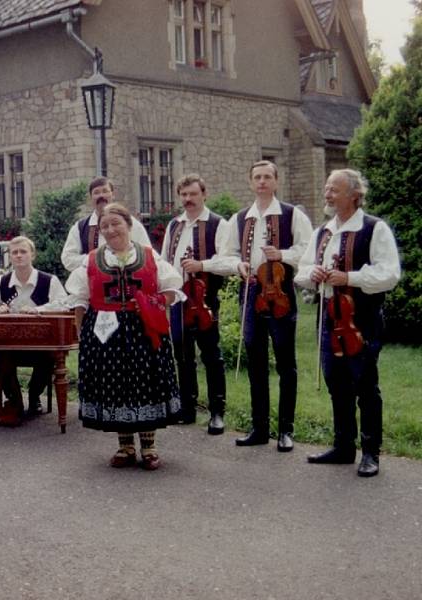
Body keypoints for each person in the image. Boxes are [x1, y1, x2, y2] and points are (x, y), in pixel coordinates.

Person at [295, 169, 400, 477]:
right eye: (327, 189)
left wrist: (350, 277)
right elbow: (302, 270)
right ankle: (343, 447)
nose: (327, 194)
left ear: (355, 195)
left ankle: (370, 453)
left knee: (366, 386)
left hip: (363, 322)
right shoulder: (323, 232)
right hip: (328, 321)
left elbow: (389, 274)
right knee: (336, 385)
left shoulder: (374, 228)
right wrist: (312, 275)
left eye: (334, 190)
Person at [66, 202, 183, 470]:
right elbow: (79, 297)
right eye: (105, 226)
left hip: (143, 330)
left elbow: (172, 288)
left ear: (129, 226)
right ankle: (125, 446)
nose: (110, 230)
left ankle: (150, 447)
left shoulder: (149, 255)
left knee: (145, 382)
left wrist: (153, 305)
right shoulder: (92, 259)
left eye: (116, 223)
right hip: (105, 331)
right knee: (116, 385)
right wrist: (81, 331)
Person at [220, 160, 312, 451]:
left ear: (276, 181)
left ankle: (286, 430)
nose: (262, 181)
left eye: (267, 177)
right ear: (250, 182)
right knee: (256, 364)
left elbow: (308, 251)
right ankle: (259, 428)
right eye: (257, 177)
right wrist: (238, 264)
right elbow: (225, 255)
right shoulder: (239, 218)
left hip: (281, 295)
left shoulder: (292, 214)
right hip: (251, 295)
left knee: (286, 364)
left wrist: (281, 254)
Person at [161, 174, 232, 434]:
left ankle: (217, 412)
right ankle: (187, 408)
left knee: (212, 355)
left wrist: (201, 265)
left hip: (204, 300)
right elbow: (164, 260)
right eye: (184, 195)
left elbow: (226, 262)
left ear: (204, 194)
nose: (188, 199)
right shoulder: (174, 226)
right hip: (179, 300)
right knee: (183, 356)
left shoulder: (218, 224)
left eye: (193, 194)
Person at [0, 235, 68, 425]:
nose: (18, 256)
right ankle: (14, 399)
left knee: (48, 356)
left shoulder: (49, 281)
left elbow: (64, 303)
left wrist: (38, 310)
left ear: (32, 254)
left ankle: (35, 396)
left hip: (41, 344)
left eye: (23, 251)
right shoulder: (0, 282)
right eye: (14, 252)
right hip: (11, 344)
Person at [61, 176, 152, 273]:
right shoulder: (80, 227)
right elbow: (67, 258)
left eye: (105, 191)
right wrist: (97, 260)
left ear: (113, 195)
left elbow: (147, 255)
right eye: (96, 192)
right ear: (91, 198)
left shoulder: (131, 223)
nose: (101, 195)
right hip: (93, 284)